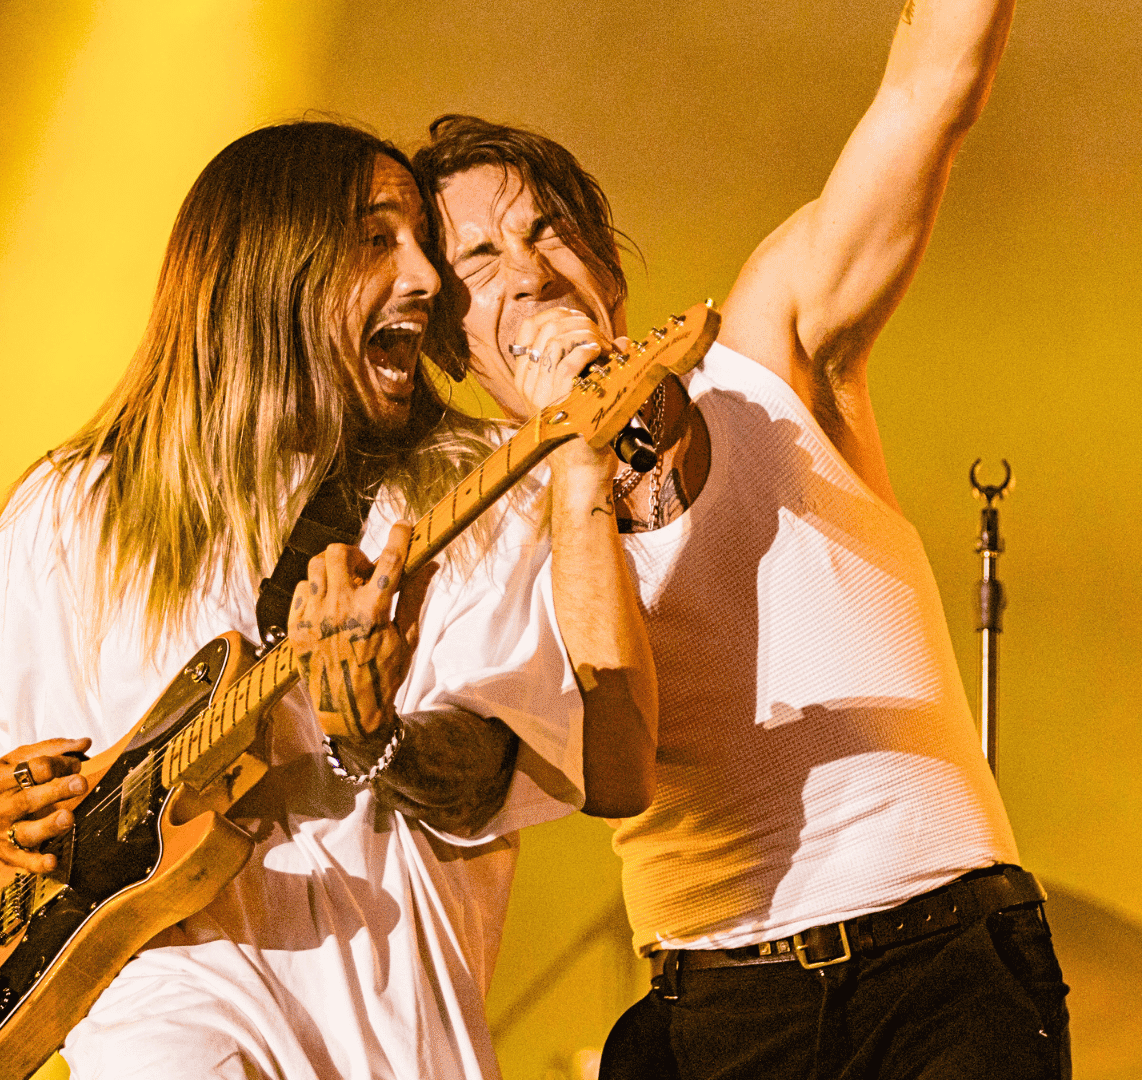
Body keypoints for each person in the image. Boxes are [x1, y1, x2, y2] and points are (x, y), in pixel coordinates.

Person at [0, 120, 654, 1080]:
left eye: (424, 243)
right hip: (158, 1016)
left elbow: (506, 764)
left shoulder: (478, 497)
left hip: (392, 1041)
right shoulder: (77, 508)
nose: (427, 279)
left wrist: (378, 730)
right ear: (270, 268)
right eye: (378, 239)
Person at [409, 0, 1069, 1076]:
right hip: (717, 1004)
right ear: (446, 335)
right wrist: (573, 453)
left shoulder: (767, 355)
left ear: (604, 261)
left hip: (941, 954)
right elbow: (595, 742)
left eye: (544, 229)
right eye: (477, 258)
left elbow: (927, 92)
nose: (525, 268)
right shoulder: (481, 541)